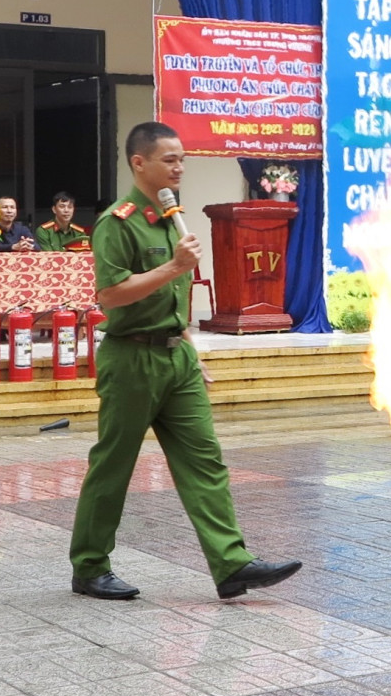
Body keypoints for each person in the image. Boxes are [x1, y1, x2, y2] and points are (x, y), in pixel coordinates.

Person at [68, 122, 301, 602]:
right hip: (132, 358)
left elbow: (174, 302)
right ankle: (90, 566)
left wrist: (192, 352)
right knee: (114, 465)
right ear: (139, 163)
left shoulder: (174, 219)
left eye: (181, 160)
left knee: (205, 460)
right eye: (169, 159)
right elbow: (110, 295)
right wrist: (173, 266)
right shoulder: (120, 221)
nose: (178, 168)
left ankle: (231, 563)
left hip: (177, 359)